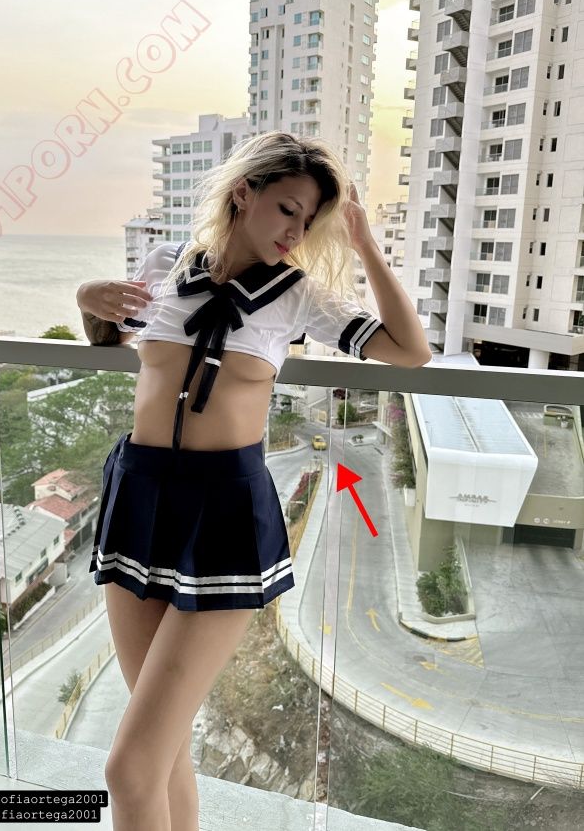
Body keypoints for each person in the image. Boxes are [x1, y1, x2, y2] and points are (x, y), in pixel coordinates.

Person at [76, 130, 431, 830]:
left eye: (309, 220)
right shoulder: (167, 265)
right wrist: (88, 297)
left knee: (128, 768)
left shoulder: (297, 296)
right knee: (161, 752)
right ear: (244, 193)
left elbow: (409, 351)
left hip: (224, 510)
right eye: (287, 209)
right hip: (139, 492)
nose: (295, 232)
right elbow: (110, 337)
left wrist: (365, 245)